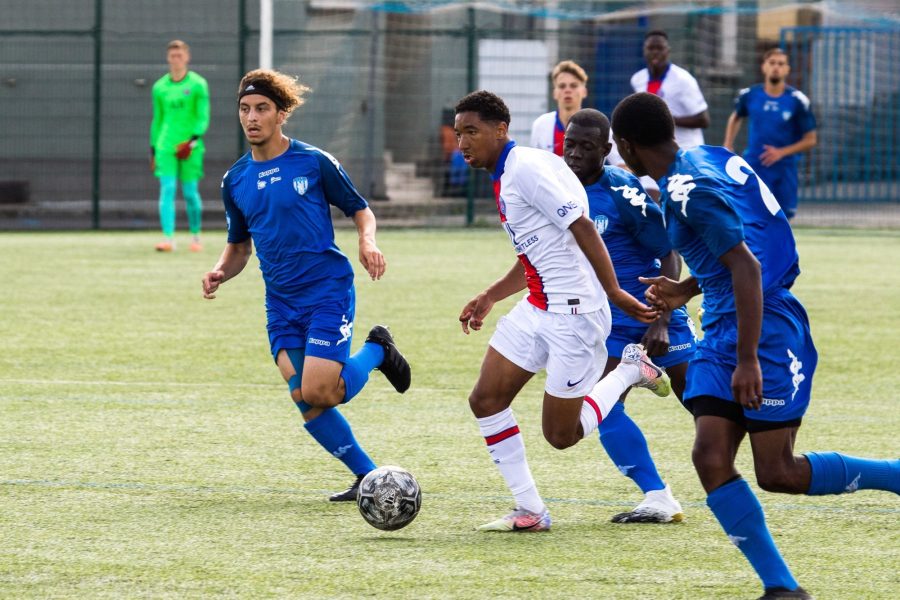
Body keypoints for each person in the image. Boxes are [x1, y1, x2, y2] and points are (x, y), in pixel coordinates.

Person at [611, 91, 900, 600]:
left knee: (778, 471)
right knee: (709, 455)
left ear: (628, 147)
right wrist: (687, 287)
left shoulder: (686, 189)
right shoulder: (703, 159)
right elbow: (733, 247)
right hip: (724, 326)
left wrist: (747, 360)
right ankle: (782, 589)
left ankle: (895, 475)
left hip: (761, 329)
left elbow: (748, 266)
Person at [454, 90, 672, 533]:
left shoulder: (527, 170)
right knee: (485, 399)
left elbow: (583, 227)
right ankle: (530, 510)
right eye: (459, 132)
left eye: (471, 132)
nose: (462, 142)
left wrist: (614, 291)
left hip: (575, 315)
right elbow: (542, 248)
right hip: (538, 306)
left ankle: (630, 370)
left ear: (501, 130)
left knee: (562, 436)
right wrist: (492, 295)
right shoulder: (510, 171)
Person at [202, 69, 411, 502]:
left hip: (326, 293)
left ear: (281, 115)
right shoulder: (234, 180)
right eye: (244, 109)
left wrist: (366, 241)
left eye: (261, 109)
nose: (251, 118)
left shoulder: (312, 161)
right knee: (305, 396)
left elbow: (360, 209)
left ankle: (377, 350)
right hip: (280, 302)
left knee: (319, 389)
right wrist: (222, 269)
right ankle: (369, 479)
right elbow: (239, 246)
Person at [563, 108, 697, 524]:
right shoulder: (556, 187)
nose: (575, 155)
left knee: (702, 400)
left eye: (587, 148)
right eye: (570, 145)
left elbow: (668, 251)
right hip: (609, 322)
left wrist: (661, 317)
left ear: (606, 151)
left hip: (652, 310)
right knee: (603, 406)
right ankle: (657, 495)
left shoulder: (624, 191)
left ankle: (768, 452)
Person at [723, 48, 817, 220]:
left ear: (787, 69)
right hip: (755, 165)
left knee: (782, 219)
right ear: (764, 67)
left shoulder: (797, 100)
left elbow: (811, 140)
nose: (776, 67)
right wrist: (728, 144)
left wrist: (781, 152)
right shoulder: (750, 95)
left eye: (781, 64)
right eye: (772, 63)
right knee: (752, 216)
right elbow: (736, 116)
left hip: (784, 168)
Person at [150, 40, 210, 252]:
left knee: (191, 193)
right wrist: (154, 149)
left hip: (190, 147)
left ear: (187, 57)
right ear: (168, 58)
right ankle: (168, 239)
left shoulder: (197, 84)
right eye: (172, 55)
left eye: (180, 55)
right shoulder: (159, 87)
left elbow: (203, 117)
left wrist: (192, 141)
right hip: (166, 145)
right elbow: (157, 120)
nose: (176, 59)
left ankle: (195, 237)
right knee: (167, 189)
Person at [632, 30, 709, 150]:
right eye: (651, 48)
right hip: (657, 150)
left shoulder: (683, 79)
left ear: (668, 51)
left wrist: (665, 119)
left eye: (660, 48)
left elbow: (703, 120)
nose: (655, 52)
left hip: (686, 150)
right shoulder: (637, 79)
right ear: (644, 51)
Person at [530, 60, 589, 156]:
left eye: (573, 86)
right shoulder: (540, 124)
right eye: (562, 86)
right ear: (555, 93)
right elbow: (534, 165)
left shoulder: (597, 125)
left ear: (584, 92)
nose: (567, 90)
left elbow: (620, 164)